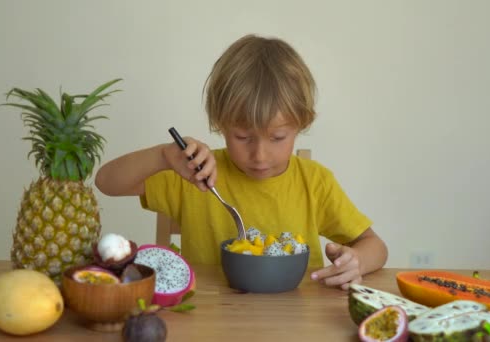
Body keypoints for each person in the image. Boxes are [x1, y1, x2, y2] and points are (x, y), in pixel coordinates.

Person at [95, 34, 388, 289]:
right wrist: (162, 156)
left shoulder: (315, 182)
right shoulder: (195, 173)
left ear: (301, 125)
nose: (260, 155)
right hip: (210, 319)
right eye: (243, 137)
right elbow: (106, 182)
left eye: (277, 138)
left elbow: (376, 247)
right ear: (220, 124)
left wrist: (356, 261)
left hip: (297, 319)